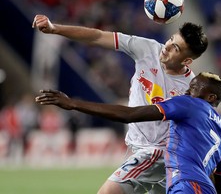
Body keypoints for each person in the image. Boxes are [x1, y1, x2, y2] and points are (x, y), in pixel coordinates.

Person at [32, 14, 208, 194]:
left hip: (159, 152)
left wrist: (73, 103)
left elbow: (130, 115)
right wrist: (55, 29)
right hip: (140, 148)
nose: (167, 47)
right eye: (171, 39)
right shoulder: (148, 49)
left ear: (187, 61)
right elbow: (98, 36)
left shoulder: (190, 90)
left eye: (175, 48)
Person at [35, 72, 221, 194]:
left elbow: (130, 114)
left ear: (210, 97)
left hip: (187, 185)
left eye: (194, 88)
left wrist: (73, 104)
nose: (188, 91)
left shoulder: (190, 104)